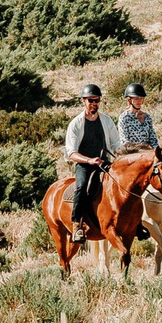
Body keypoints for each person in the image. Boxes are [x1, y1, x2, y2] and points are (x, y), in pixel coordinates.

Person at [63, 83, 110, 242]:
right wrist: (89, 160)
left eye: (96, 100)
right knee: (82, 186)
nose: (94, 103)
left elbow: (116, 145)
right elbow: (71, 153)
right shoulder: (75, 124)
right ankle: (77, 224)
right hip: (84, 165)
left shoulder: (106, 120)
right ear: (83, 101)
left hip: (105, 163)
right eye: (90, 100)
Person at [115, 82, 159, 153]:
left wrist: (157, 152)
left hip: (148, 154)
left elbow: (153, 139)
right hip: (132, 155)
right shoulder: (124, 118)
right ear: (129, 100)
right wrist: (141, 150)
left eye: (141, 98)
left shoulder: (147, 117)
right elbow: (125, 142)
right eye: (136, 99)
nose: (139, 101)